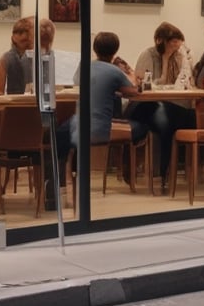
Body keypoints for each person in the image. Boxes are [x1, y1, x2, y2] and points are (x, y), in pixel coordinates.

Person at [55, 31, 143, 195]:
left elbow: (76, 83)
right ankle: (128, 173)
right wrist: (129, 71)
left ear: (94, 49)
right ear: (115, 50)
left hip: (78, 123)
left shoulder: (84, 66)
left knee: (59, 133)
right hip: (100, 128)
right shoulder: (114, 71)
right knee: (140, 127)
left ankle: (60, 181)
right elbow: (134, 91)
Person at [127, 22, 196, 189]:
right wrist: (165, 61)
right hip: (146, 106)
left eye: (178, 44)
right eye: (172, 43)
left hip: (173, 104)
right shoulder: (148, 55)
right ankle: (161, 174)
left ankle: (179, 171)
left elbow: (186, 81)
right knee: (165, 121)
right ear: (161, 41)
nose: (175, 48)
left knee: (190, 117)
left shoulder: (179, 57)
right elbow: (144, 85)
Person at [0, 17, 34, 95]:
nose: (31, 39)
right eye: (26, 39)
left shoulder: (35, 58)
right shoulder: (6, 59)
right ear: (15, 37)